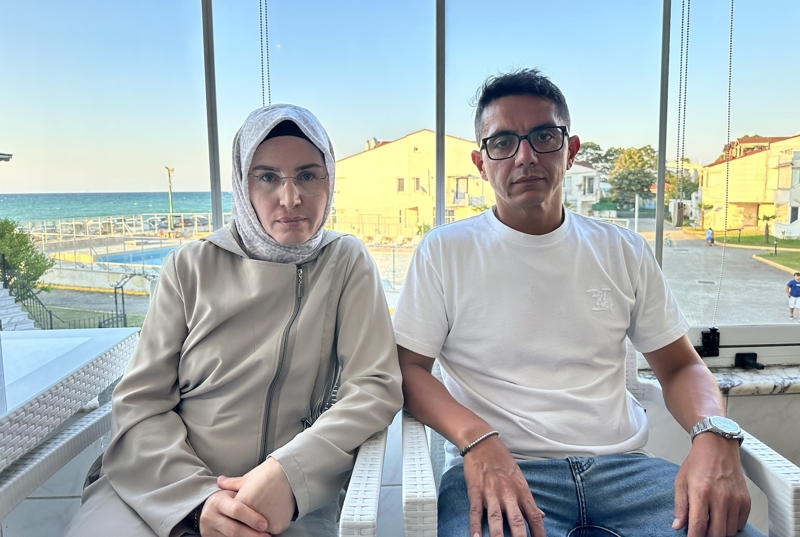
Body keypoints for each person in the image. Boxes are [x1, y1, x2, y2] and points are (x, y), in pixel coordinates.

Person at [394, 69, 759, 537]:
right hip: (502, 470)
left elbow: (680, 366)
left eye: (543, 136)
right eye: (503, 142)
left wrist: (713, 433)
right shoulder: (445, 251)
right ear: (481, 163)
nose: (525, 156)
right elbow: (409, 369)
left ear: (570, 150)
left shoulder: (622, 250)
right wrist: (476, 439)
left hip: (627, 473)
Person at [67, 104, 403, 537]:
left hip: (282, 495)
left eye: (307, 175)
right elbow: (141, 404)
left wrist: (290, 472)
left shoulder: (346, 262)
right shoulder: (188, 267)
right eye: (267, 177)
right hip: (160, 488)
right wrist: (197, 500)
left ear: (329, 179)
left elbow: (374, 386)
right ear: (243, 185)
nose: (290, 198)